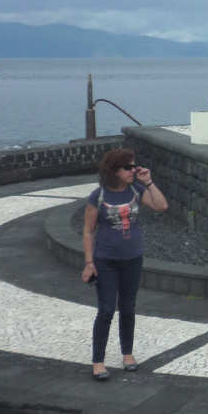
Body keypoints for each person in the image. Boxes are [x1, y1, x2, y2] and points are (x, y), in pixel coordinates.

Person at [82, 148, 168, 381]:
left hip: (132, 258)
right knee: (106, 310)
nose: (133, 170)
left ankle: (127, 354)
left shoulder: (136, 190)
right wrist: (89, 262)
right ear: (114, 170)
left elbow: (161, 206)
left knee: (128, 308)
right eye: (128, 167)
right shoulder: (98, 196)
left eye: (134, 166)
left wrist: (148, 182)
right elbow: (88, 231)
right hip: (105, 260)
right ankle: (98, 361)